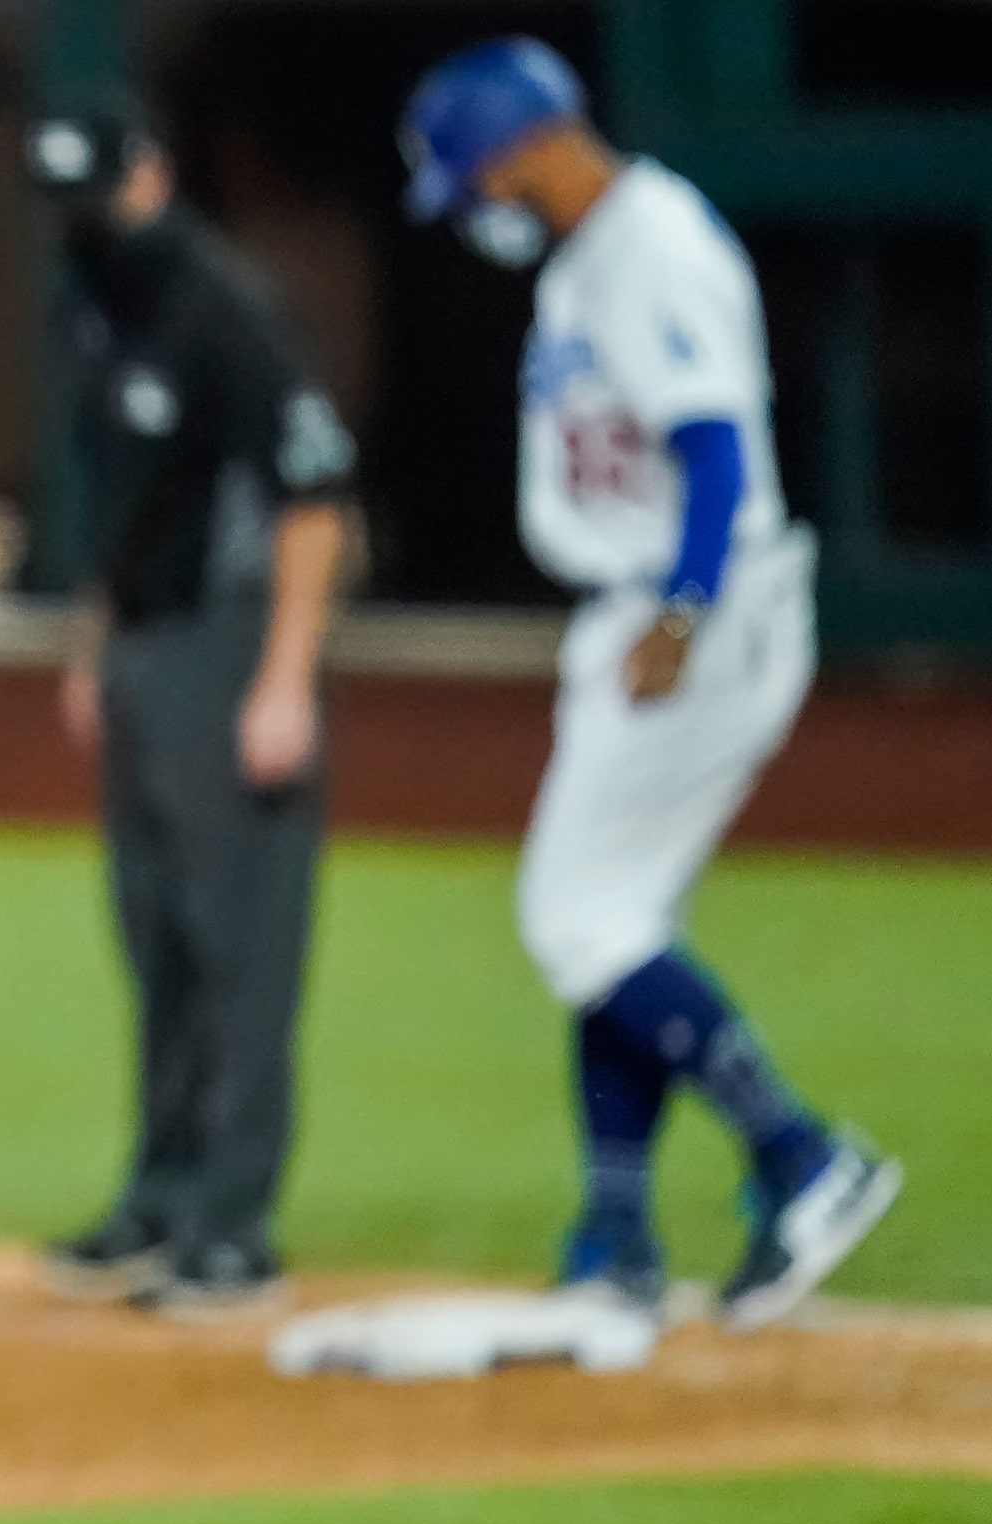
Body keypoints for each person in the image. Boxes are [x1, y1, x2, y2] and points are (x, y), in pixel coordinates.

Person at [399, 38, 901, 1325]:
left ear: (527, 147)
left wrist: (682, 606)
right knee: (607, 920)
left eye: (478, 182)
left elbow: (717, 447)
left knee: (577, 914)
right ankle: (618, 1223)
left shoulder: (655, 244)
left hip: (698, 612)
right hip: (653, 610)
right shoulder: (596, 255)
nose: (479, 212)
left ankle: (800, 1155)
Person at [28, 109, 359, 1311]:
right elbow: (126, 499)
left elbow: (315, 492)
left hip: (232, 645)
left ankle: (232, 1225)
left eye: (98, 196)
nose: (82, 223)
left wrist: (283, 678)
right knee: (158, 936)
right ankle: (160, 1197)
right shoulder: (88, 301)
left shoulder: (225, 307)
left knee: (240, 946)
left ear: (154, 176)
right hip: (141, 642)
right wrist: (92, 643)